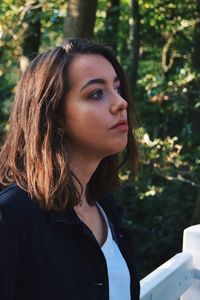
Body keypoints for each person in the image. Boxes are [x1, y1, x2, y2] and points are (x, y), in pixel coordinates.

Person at [0, 38, 140, 300]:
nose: (121, 103)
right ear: (55, 118)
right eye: (96, 93)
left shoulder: (104, 206)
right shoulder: (11, 217)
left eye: (117, 88)